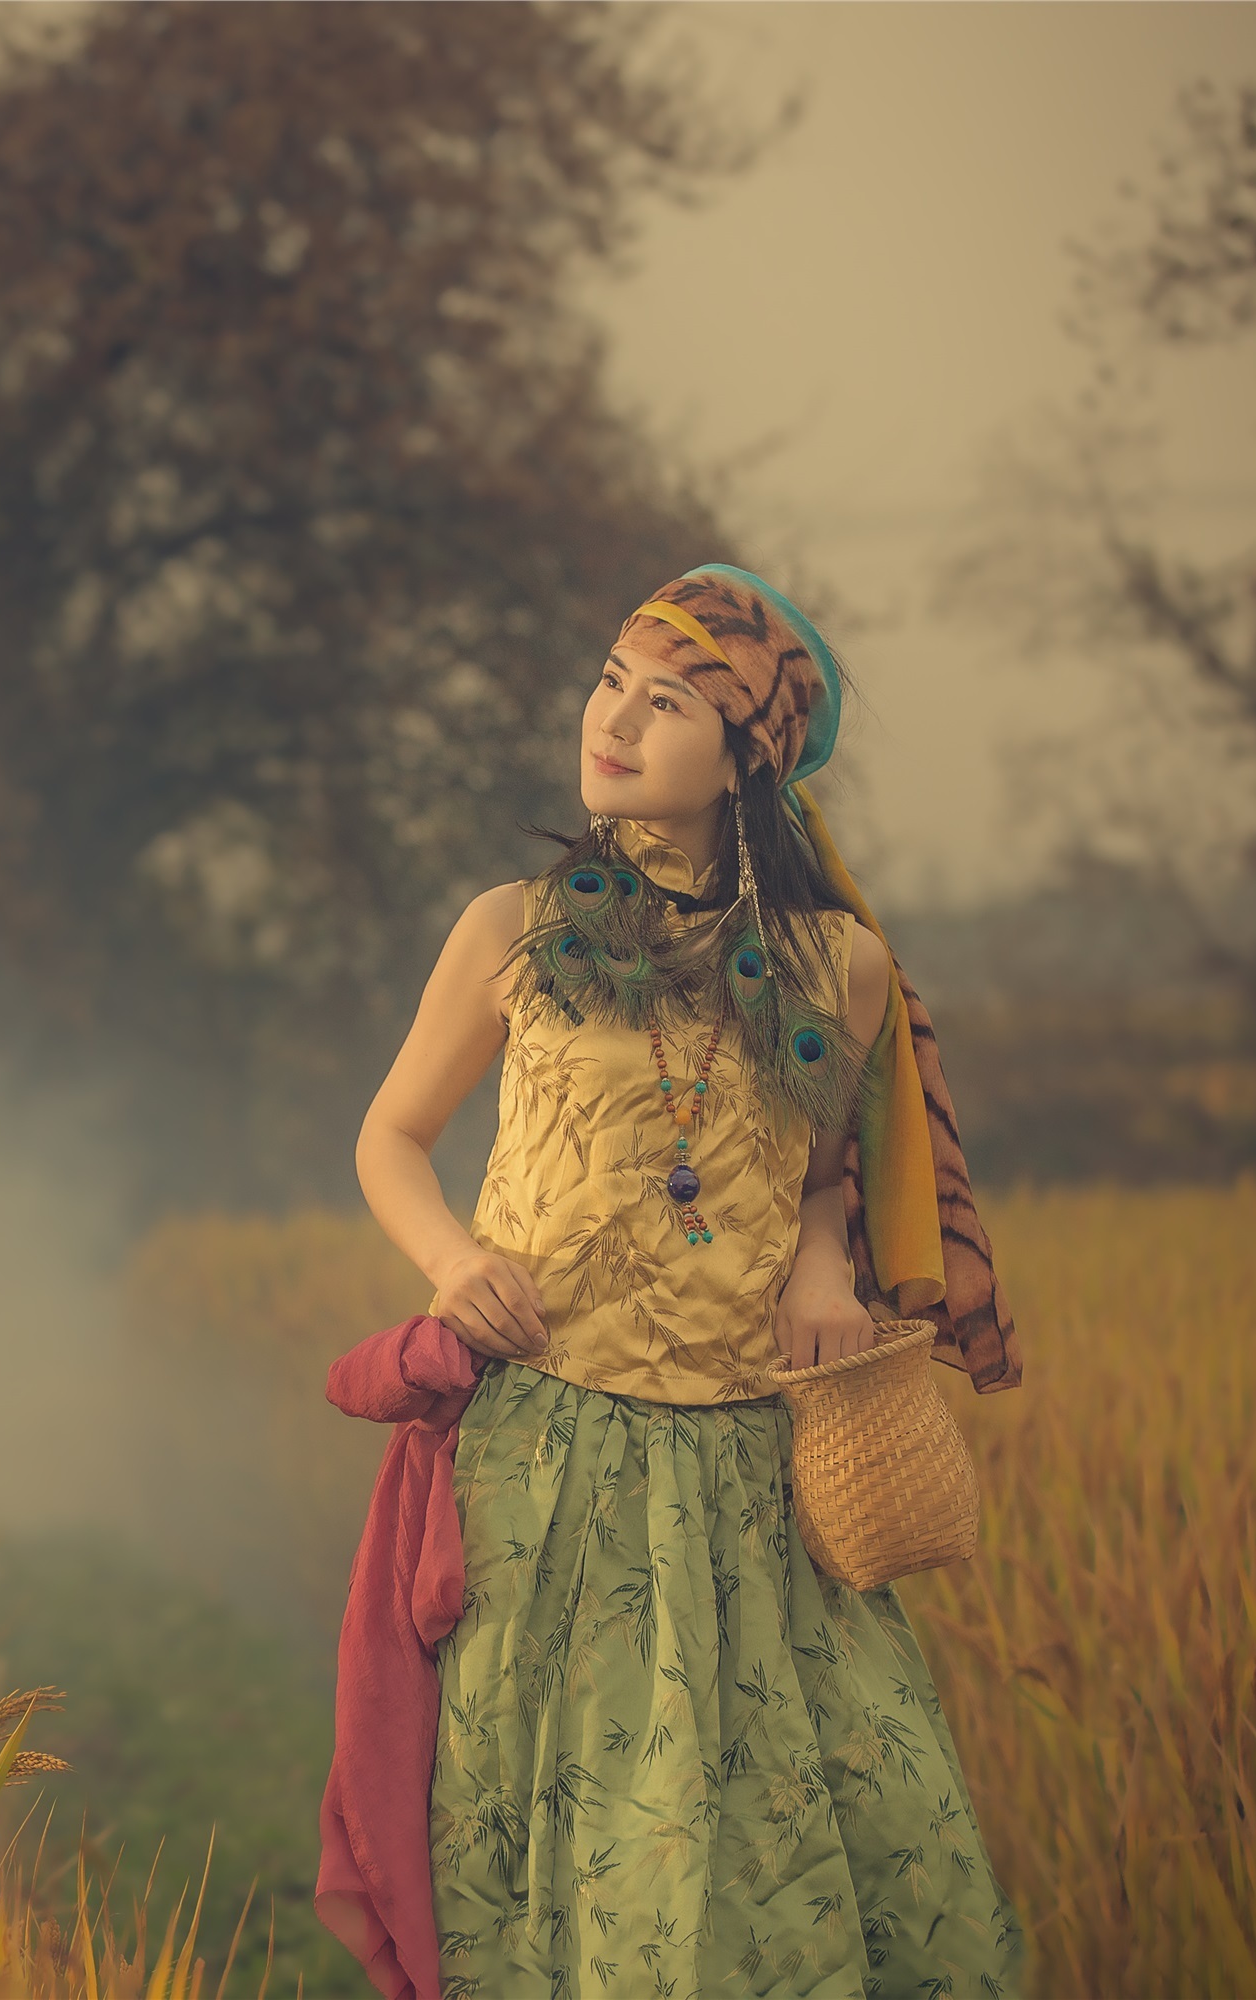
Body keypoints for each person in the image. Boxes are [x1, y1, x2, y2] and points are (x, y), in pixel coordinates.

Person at [349, 566, 1025, 1998]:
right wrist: (454, 1258)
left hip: (744, 1475)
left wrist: (832, 1260)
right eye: (611, 682)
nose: (617, 719)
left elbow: (833, 1168)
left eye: (670, 702)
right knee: (568, 1840)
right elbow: (391, 1137)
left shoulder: (832, 965)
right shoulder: (512, 930)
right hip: (543, 1459)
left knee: (771, 1841)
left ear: (747, 759)